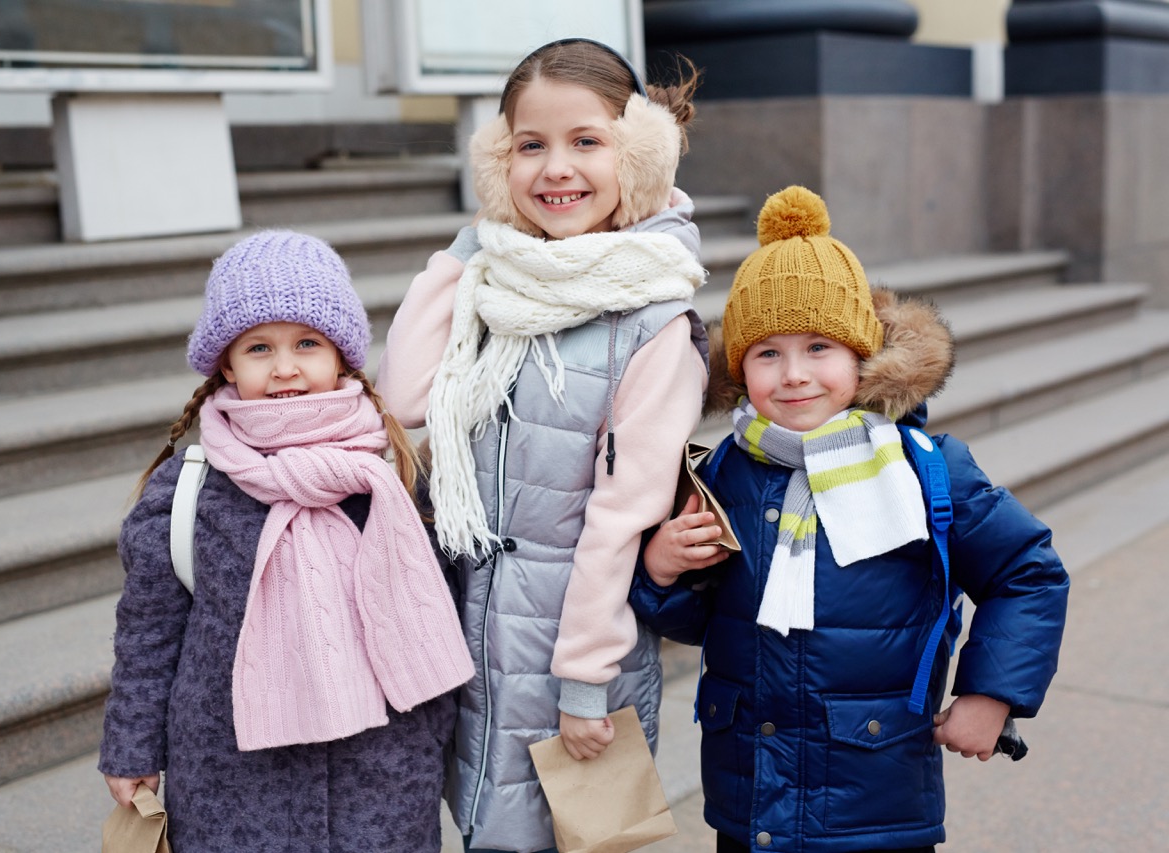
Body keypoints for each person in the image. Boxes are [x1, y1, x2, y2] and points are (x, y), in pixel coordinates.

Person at [629, 185, 1070, 853]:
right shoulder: (723, 471)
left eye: (818, 347)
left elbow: (1028, 573)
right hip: (751, 797)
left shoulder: (922, 468)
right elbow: (712, 620)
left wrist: (991, 693)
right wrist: (662, 572)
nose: (793, 374)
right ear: (738, 367)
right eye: (767, 353)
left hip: (876, 795)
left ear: (861, 353)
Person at [376, 38, 709, 853]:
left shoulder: (653, 319)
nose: (556, 168)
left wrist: (587, 682)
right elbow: (405, 395)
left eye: (586, 141)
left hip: (575, 647)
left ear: (638, 153)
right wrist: (470, 247)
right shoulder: (496, 285)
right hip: (477, 632)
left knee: (576, 837)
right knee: (488, 827)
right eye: (530, 146)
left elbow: (622, 515)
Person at [98, 230, 474, 853]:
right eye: (258, 348)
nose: (284, 368)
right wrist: (131, 747)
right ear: (227, 364)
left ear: (341, 356)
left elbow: (443, 613)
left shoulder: (393, 476)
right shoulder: (190, 488)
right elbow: (148, 632)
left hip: (382, 771)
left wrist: (436, 737)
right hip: (231, 777)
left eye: (307, 343)